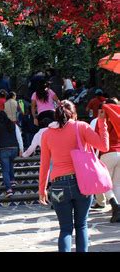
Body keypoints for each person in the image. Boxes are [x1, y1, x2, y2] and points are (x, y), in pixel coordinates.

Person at [39, 100, 109, 252]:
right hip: (81, 183)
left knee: (65, 229)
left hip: (58, 186)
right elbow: (104, 146)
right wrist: (102, 122)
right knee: (81, 225)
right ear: (74, 114)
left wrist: (42, 189)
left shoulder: (46, 134)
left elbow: (44, 165)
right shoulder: (81, 127)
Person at [90, 99, 120, 223]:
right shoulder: (118, 118)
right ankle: (117, 209)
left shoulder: (100, 120)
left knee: (103, 183)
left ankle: (116, 207)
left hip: (107, 154)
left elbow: (97, 139)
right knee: (117, 184)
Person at [0, 111, 24, 198]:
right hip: (14, 149)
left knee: (5, 170)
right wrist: (21, 149)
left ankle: (9, 189)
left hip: (2, 150)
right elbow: (19, 137)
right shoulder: (13, 124)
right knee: (10, 164)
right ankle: (12, 181)